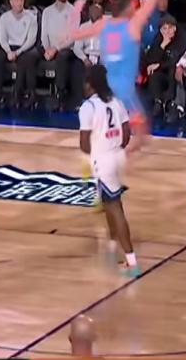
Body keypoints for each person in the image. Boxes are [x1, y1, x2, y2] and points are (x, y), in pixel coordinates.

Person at [67, 0, 180, 151]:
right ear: (129, 9)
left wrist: (76, 11)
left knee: (106, 129)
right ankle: (117, 158)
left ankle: (104, 155)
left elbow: (71, 35)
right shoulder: (133, 25)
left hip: (104, 89)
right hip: (124, 91)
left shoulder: (104, 24)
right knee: (142, 135)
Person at [79, 64, 138, 276]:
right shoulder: (116, 101)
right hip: (118, 156)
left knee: (115, 207)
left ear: (91, 84)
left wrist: (98, 153)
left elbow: (84, 144)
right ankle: (112, 244)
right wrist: (115, 149)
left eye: (85, 83)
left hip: (103, 160)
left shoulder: (88, 107)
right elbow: (127, 133)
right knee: (108, 201)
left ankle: (131, 260)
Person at [0, 0, 39, 108]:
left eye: (21, 0)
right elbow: (2, 38)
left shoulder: (31, 17)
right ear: (11, 2)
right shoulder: (4, 17)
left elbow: (31, 40)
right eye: (16, 0)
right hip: (8, 47)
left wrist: (18, 52)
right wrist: (9, 51)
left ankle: (21, 94)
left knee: (26, 59)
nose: (19, 3)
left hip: (24, 47)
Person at [39, 0, 81, 109]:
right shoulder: (47, 11)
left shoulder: (74, 11)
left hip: (66, 48)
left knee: (62, 56)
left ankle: (60, 93)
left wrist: (56, 49)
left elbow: (72, 38)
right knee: (30, 55)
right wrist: (47, 49)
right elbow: (44, 34)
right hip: (48, 48)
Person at [144, 15, 185, 116]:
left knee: (172, 70)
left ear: (175, 28)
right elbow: (150, 59)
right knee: (153, 74)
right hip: (162, 74)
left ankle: (169, 103)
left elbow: (176, 61)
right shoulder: (159, 38)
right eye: (164, 29)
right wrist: (162, 46)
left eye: (170, 28)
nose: (167, 32)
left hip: (176, 74)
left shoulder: (182, 40)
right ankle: (157, 101)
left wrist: (159, 65)